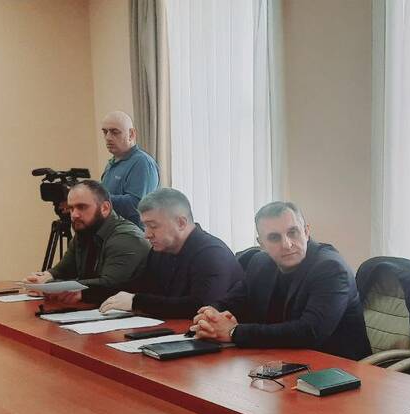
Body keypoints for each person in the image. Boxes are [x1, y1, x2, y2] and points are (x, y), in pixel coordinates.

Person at [189, 201, 371, 360]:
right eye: (274, 237)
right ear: (262, 244)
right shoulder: (260, 263)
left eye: (293, 232)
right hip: (281, 360)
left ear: (306, 231)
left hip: (336, 370)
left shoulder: (331, 268)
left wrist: (233, 332)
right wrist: (211, 315)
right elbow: (234, 301)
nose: (287, 244)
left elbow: (309, 332)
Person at [97, 188, 243, 319]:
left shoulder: (212, 254)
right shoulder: (161, 249)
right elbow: (138, 285)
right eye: (145, 226)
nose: (147, 234)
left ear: (181, 223)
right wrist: (88, 292)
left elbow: (201, 306)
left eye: (153, 226)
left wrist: (137, 302)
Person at [23, 180, 150, 304]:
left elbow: (110, 285)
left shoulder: (125, 237)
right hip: (98, 310)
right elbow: (63, 269)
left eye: (81, 207)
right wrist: (42, 278)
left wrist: (49, 286)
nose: (74, 215)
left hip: (133, 314)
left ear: (105, 208)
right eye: (71, 208)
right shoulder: (85, 231)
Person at [99, 111, 160, 228]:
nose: (108, 138)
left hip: (133, 236)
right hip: (112, 232)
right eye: (105, 132)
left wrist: (96, 199)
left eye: (114, 132)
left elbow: (136, 206)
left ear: (131, 134)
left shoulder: (142, 162)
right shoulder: (112, 163)